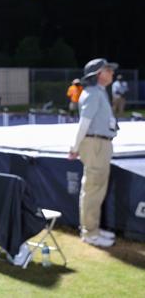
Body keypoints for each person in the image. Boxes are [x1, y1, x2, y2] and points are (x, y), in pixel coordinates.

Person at [69, 58, 119, 248]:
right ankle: (90, 232)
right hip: (95, 144)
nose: (112, 73)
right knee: (93, 189)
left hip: (100, 143)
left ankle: (93, 229)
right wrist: (75, 147)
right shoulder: (92, 94)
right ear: (99, 74)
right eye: (109, 70)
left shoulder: (98, 93)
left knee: (96, 188)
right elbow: (84, 122)